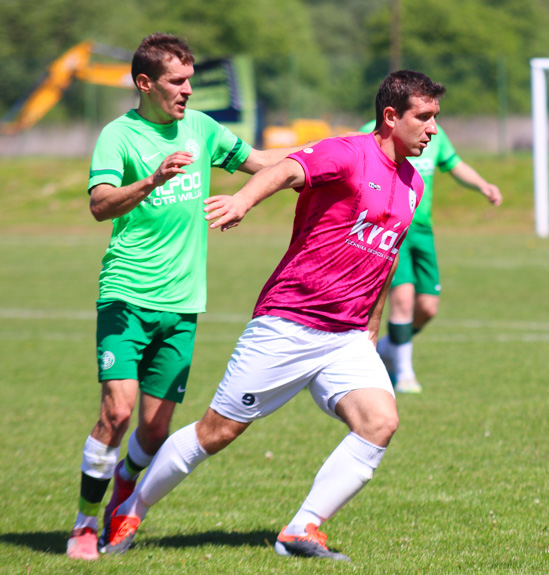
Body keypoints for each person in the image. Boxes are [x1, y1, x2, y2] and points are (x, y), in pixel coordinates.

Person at [101, 69, 444, 562]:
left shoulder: (411, 184)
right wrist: (242, 200)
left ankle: (301, 529)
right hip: (289, 322)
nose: (433, 128)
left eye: (436, 117)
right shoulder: (346, 153)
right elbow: (284, 171)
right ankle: (131, 506)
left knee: (380, 422)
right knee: (215, 432)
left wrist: (370, 324)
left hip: (346, 337)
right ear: (391, 117)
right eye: (424, 117)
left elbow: (384, 258)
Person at [67, 32, 311, 561]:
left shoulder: (200, 128)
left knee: (155, 430)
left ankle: (123, 495)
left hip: (182, 304)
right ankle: (85, 523)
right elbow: (100, 205)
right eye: (178, 83)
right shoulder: (118, 136)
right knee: (119, 411)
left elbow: (262, 159)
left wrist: (331, 152)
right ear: (145, 83)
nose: (188, 92)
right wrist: (152, 180)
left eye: (191, 81)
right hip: (127, 294)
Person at [358, 119, 502, 394]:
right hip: (390, 227)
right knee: (402, 300)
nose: (430, 122)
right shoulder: (370, 132)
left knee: (428, 308)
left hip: (423, 232)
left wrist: (483, 185)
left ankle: (389, 348)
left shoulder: (435, 135)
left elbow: (454, 164)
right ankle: (404, 374)